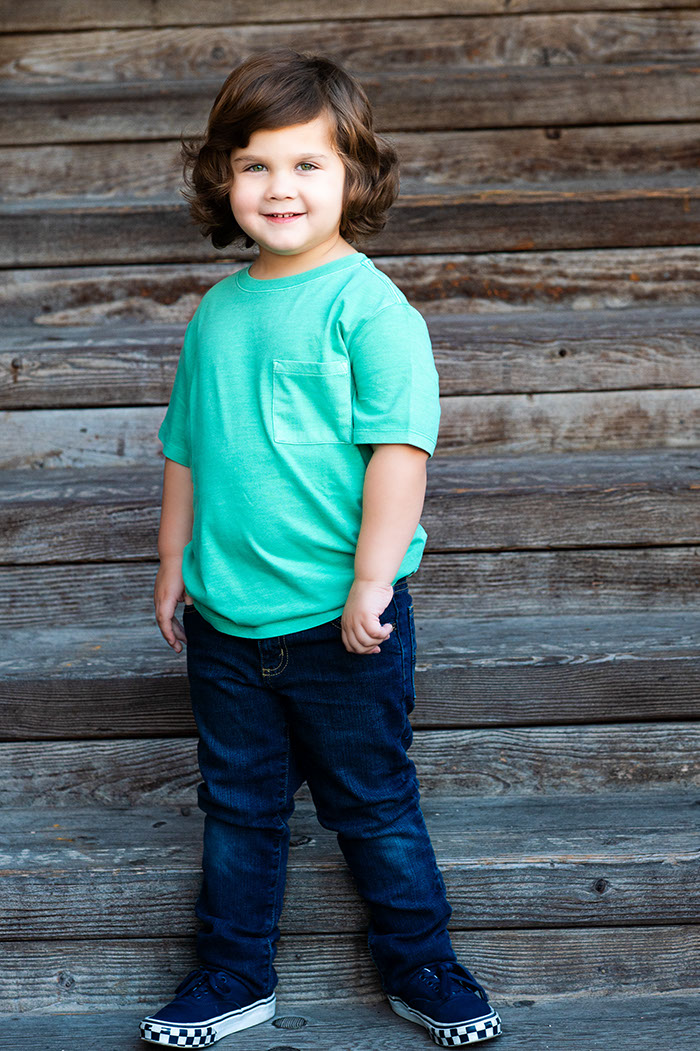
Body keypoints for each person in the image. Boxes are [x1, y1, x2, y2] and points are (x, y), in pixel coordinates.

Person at [141, 47, 502, 1048]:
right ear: (223, 179)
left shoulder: (368, 307)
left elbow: (399, 453)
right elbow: (186, 449)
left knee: (374, 804)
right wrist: (172, 562)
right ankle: (233, 974)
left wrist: (372, 579)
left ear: (355, 177)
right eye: (254, 165)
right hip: (228, 622)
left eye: (307, 164)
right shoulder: (217, 312)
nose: (280, 187)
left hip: (346, 623)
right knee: (238, 808)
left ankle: (423, 963)